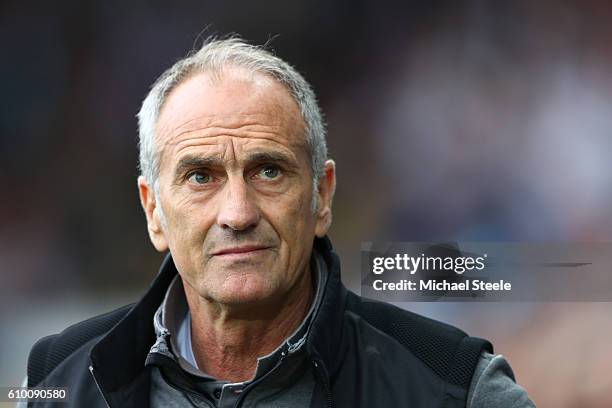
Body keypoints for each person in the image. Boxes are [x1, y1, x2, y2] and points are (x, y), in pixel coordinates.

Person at [26, 38, 534, 407]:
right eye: (201, 176)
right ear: (153, 211)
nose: (238, 213)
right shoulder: (54, 379)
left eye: (269, 171)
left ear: (321, 196)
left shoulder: (455, 387)